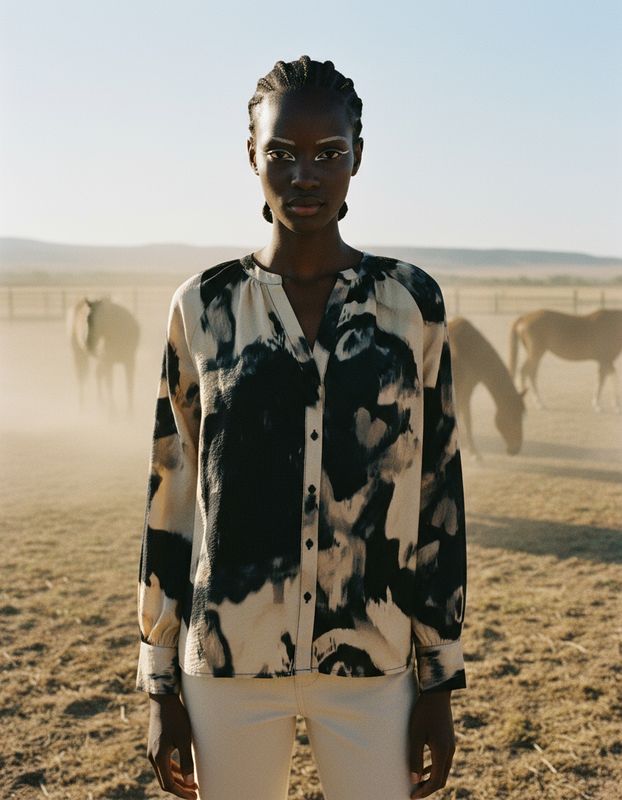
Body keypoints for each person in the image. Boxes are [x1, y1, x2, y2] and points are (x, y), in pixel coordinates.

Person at [135, 55, 467, 800]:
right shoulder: (202, 308)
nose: (304, 176)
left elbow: (440, 490)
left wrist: (438, 678)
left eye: (328, 154)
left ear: (358, 156)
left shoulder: (412, 305)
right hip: (227, 667)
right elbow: (172, 492)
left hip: (374, 666)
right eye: (281, 154)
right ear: (251, 155)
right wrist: (160, 682)